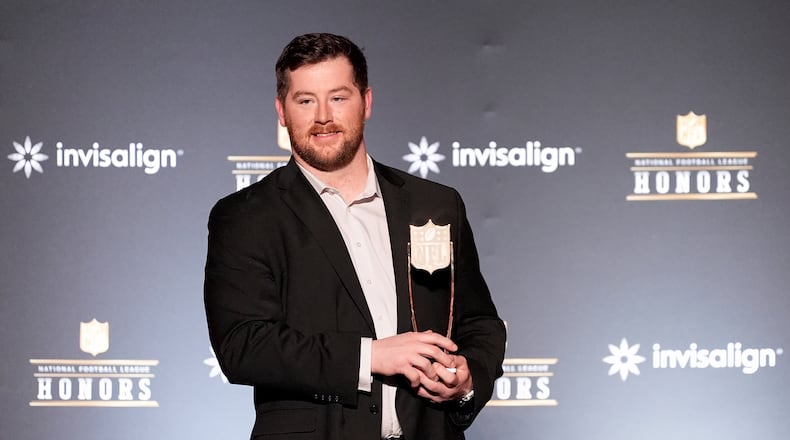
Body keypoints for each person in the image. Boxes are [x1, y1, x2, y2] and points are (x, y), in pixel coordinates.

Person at [204, 32, 506, 440]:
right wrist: (371, 356)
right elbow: (244, 346)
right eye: (305, 100)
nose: (323, 115)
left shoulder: (435, 204)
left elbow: (479, 322)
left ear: (366, 102)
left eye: (339, 97)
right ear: (281, 110)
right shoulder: (246, 217)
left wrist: (468, 380)